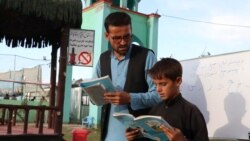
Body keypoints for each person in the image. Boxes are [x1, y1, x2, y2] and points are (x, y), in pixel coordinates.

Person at [94, 11, 161, 141]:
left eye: (127, 36)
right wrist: (94, 95)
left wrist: (130, 98)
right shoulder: (102, 59)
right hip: (108, 136)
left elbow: (158, 96)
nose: (123, 42)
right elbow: (95, 95)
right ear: (107, 36)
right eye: (117, 38)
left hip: (140, 136)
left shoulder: (147, 56)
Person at [125, 58, 209, 141]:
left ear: (178, 81)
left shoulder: (191, 112)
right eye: (156, 84)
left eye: (163, 84)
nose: (158, 89)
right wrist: (135, 137)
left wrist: (182, 140)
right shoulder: (155, 109)